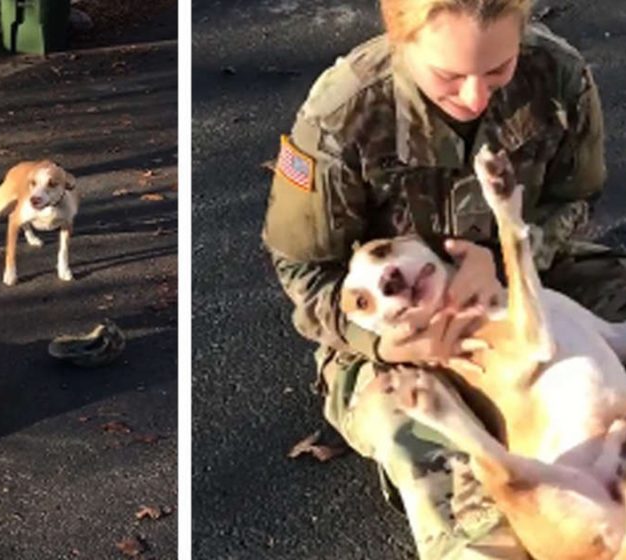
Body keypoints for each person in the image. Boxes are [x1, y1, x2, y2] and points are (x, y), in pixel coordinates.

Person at [263, 1, 620, 558]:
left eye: (499, 70)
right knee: (423, 438)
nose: (477, 96)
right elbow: (302, 270)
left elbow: (576, 196)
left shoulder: (557, 75)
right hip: (392, 334)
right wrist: (385, 341)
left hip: (532, 276)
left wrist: (499, 266)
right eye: (449, 77)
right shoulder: (341, 114)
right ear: (399, 39)